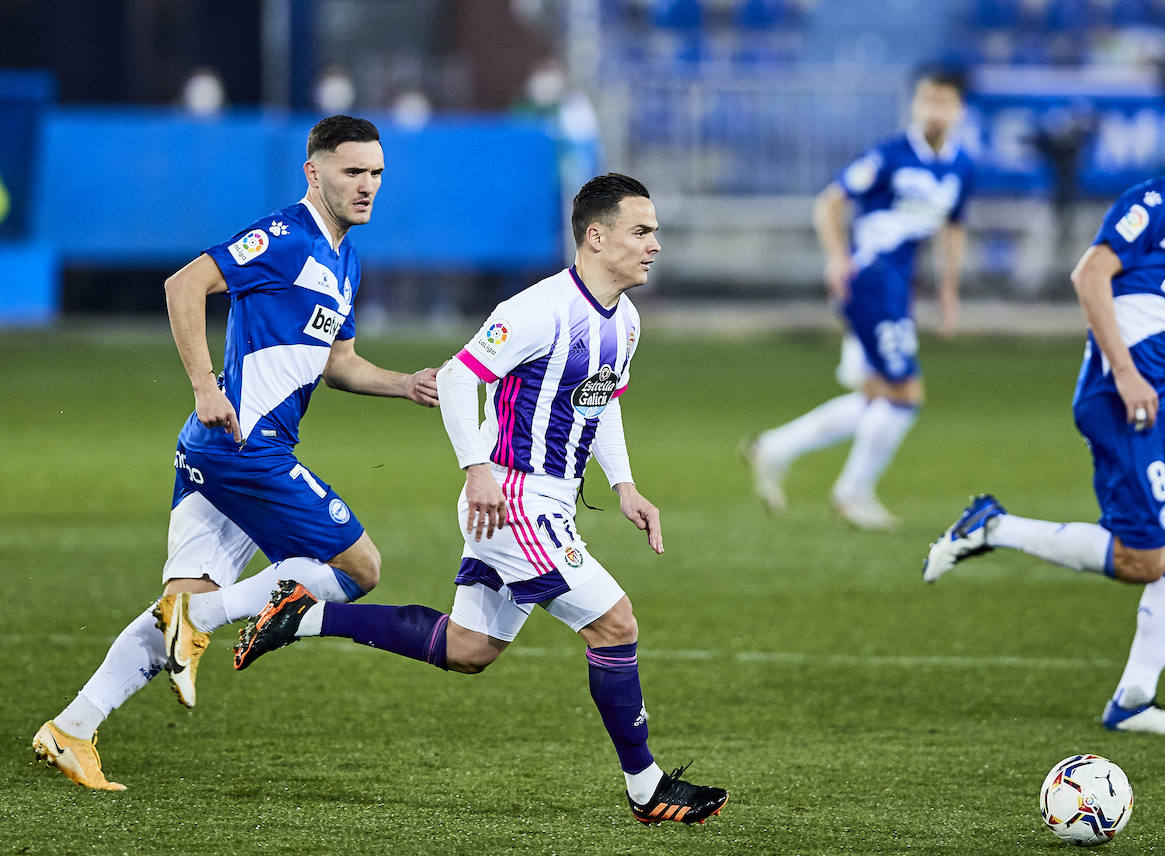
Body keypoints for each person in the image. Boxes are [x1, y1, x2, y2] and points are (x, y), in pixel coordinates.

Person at [233, 173, 729, 825]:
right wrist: (477, 470)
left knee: (468, 648)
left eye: (655, 232)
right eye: (642, 231)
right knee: (616, 623)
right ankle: (647, 788)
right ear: (597, 236)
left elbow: (600, 400)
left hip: (542, 503)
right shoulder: (537, 311)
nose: (654, 245)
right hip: (512, 503)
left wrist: (625, 484)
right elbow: (463, 378)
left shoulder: (625, 323)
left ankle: (299, 615)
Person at [33, 115, 440, 790]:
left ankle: (71, 729)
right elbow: (182, 285)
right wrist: (201, 384)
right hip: (244, 446)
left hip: (216, 451)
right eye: (352, 172)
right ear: (314, 172)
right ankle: (201, 618)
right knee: (359, 566)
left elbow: (339, 363)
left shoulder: (347, 260)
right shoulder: (285, 236)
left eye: (376, 174)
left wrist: (405, 385)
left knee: (176, 606)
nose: (367, 186)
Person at [922, 90, 1165, 736]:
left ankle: (1133, 699)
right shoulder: (1154, 204)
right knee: (1144, 560)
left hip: (1156, 401)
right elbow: (1089, 275)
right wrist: (1128, 373)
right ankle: (992, 527)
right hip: (1118, 395)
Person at [745, 66, 975, 530]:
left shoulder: (961, 167)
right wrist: (836, 259)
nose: (935, 110)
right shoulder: (889, 156)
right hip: (870, 280)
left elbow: (953, 229)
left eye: (944, 102)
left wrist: (948, 293)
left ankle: (772, 449)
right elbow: (829, 202)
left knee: (876, 397)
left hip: (897, 288)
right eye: (927, 99)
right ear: (915, 103)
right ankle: (852, 494)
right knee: (905, 394)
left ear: (959, 109)